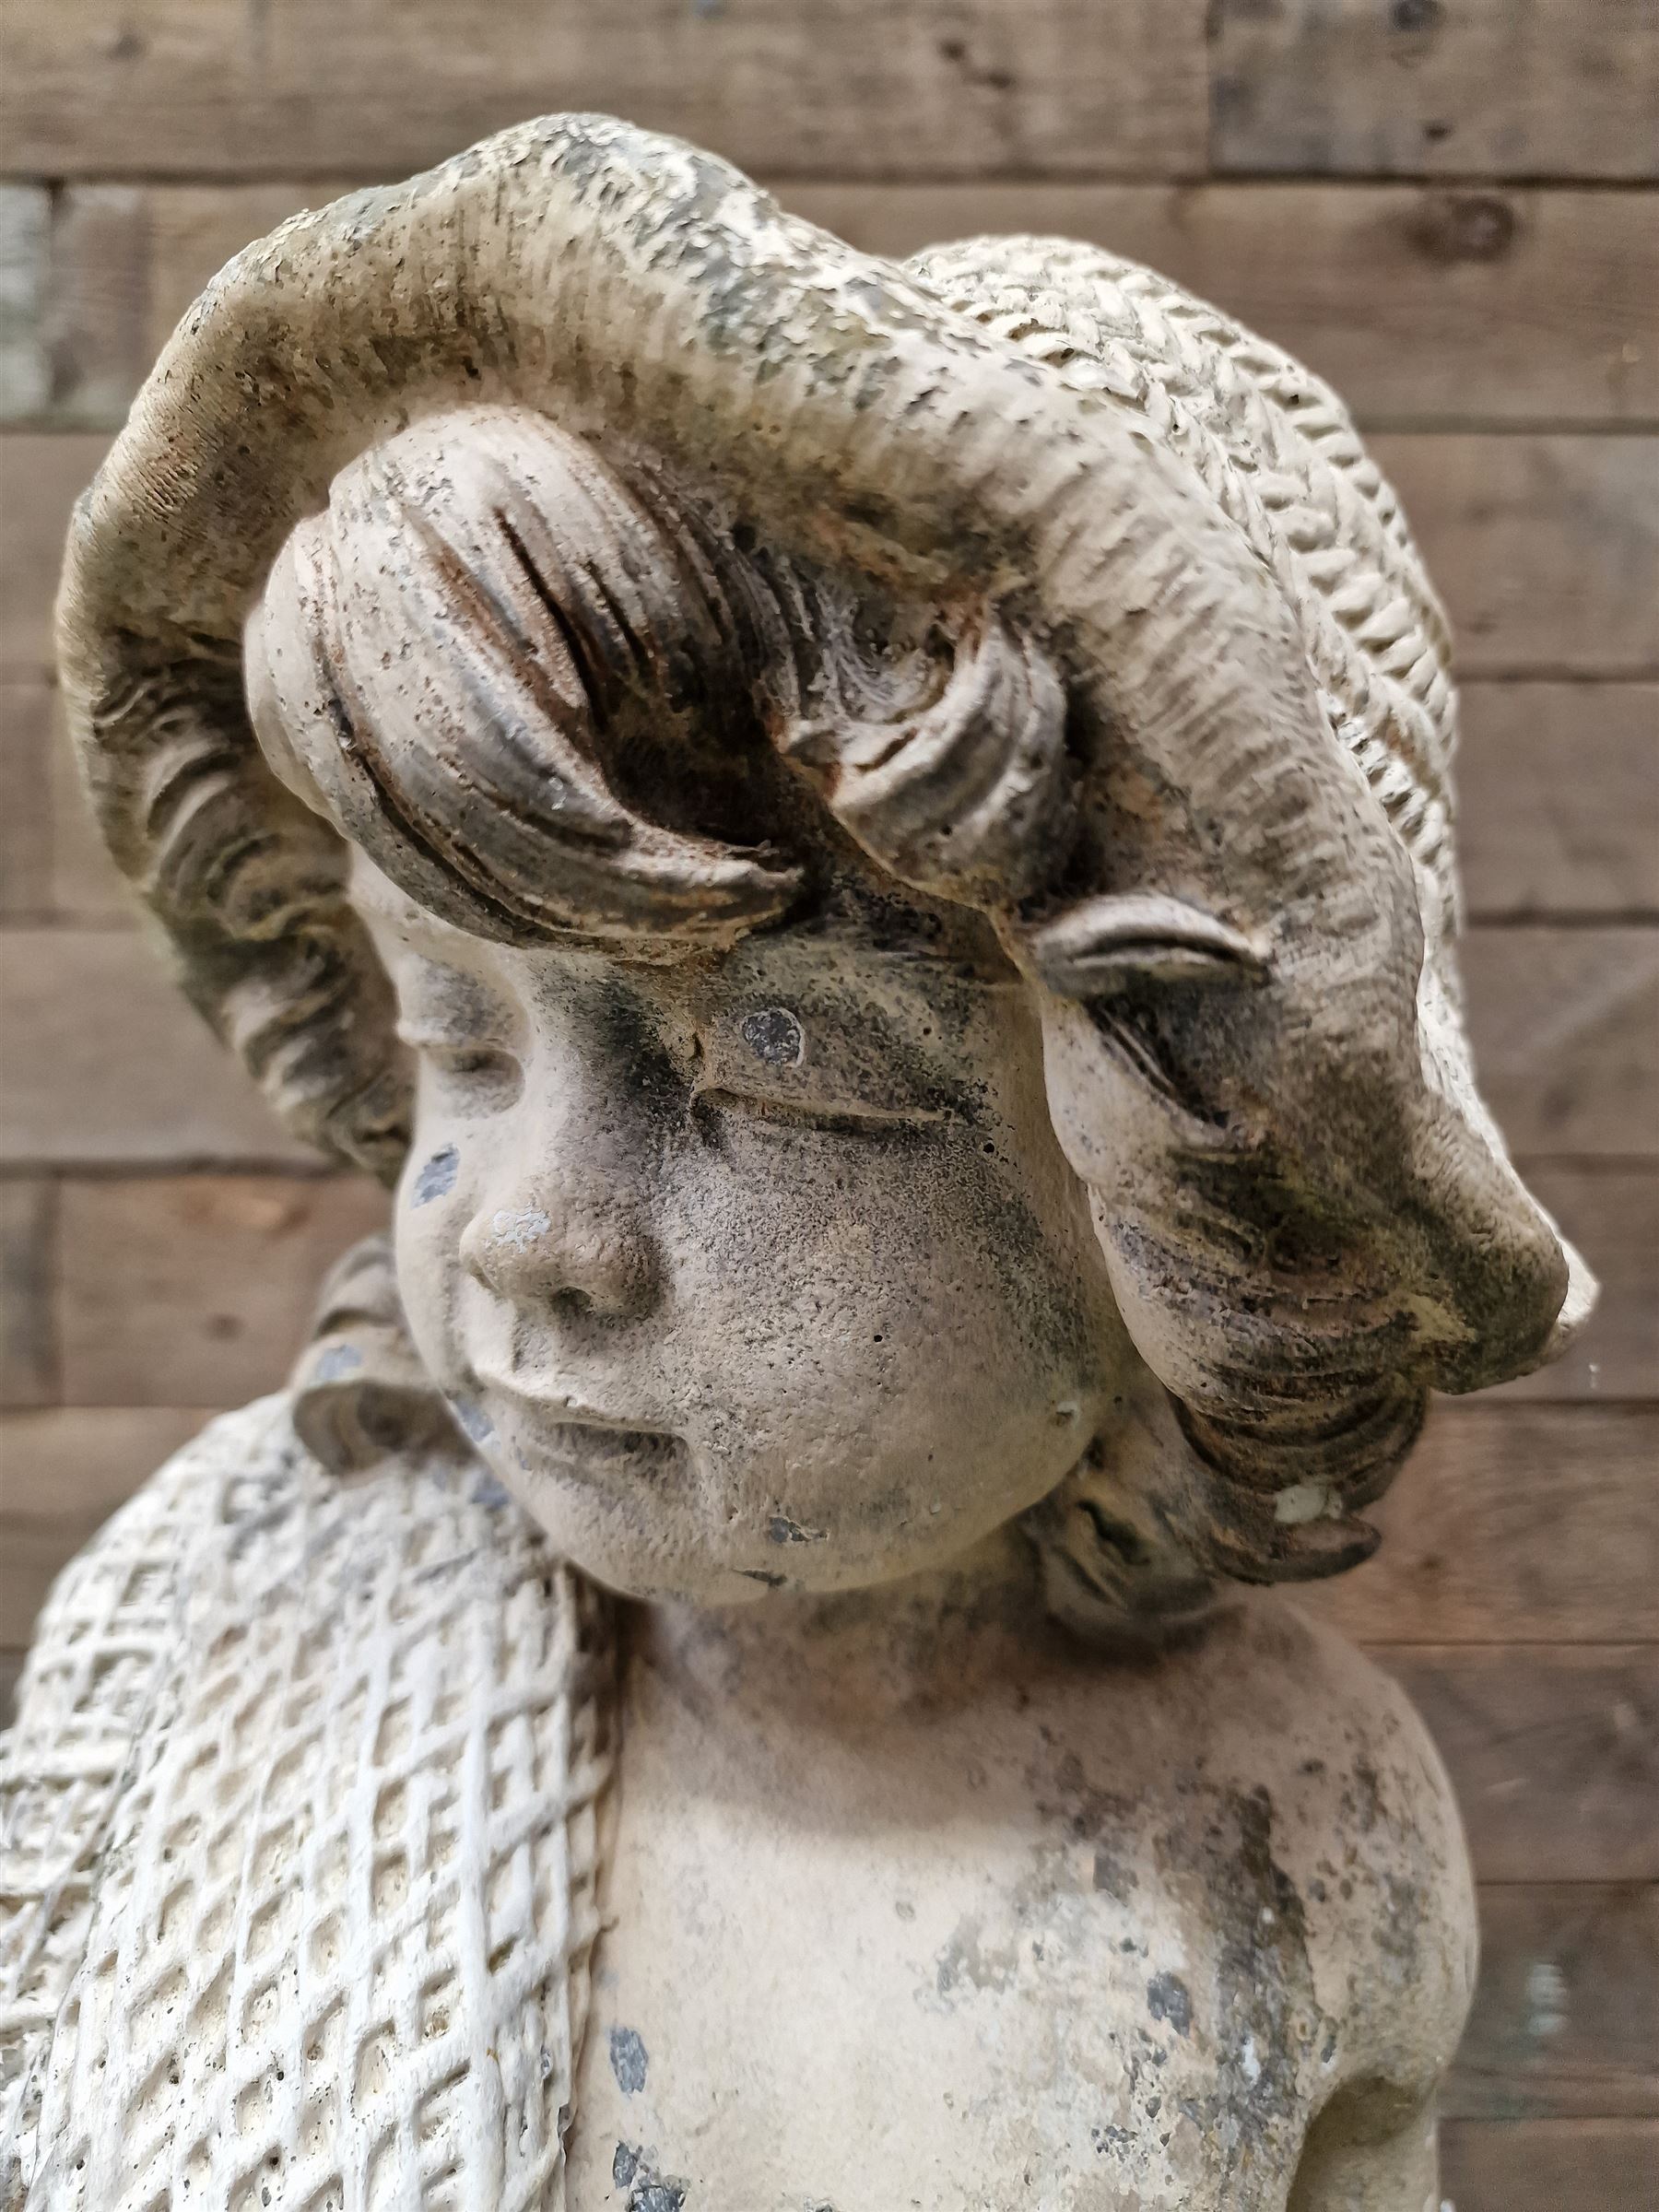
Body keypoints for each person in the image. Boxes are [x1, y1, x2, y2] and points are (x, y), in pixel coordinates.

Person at [3, 115, 1588, 2209]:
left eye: (783, 1062)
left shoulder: (1287, 1828)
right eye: (457, 1038)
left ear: (1198, 1212)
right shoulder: (205, 1674)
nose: (535, 1233)